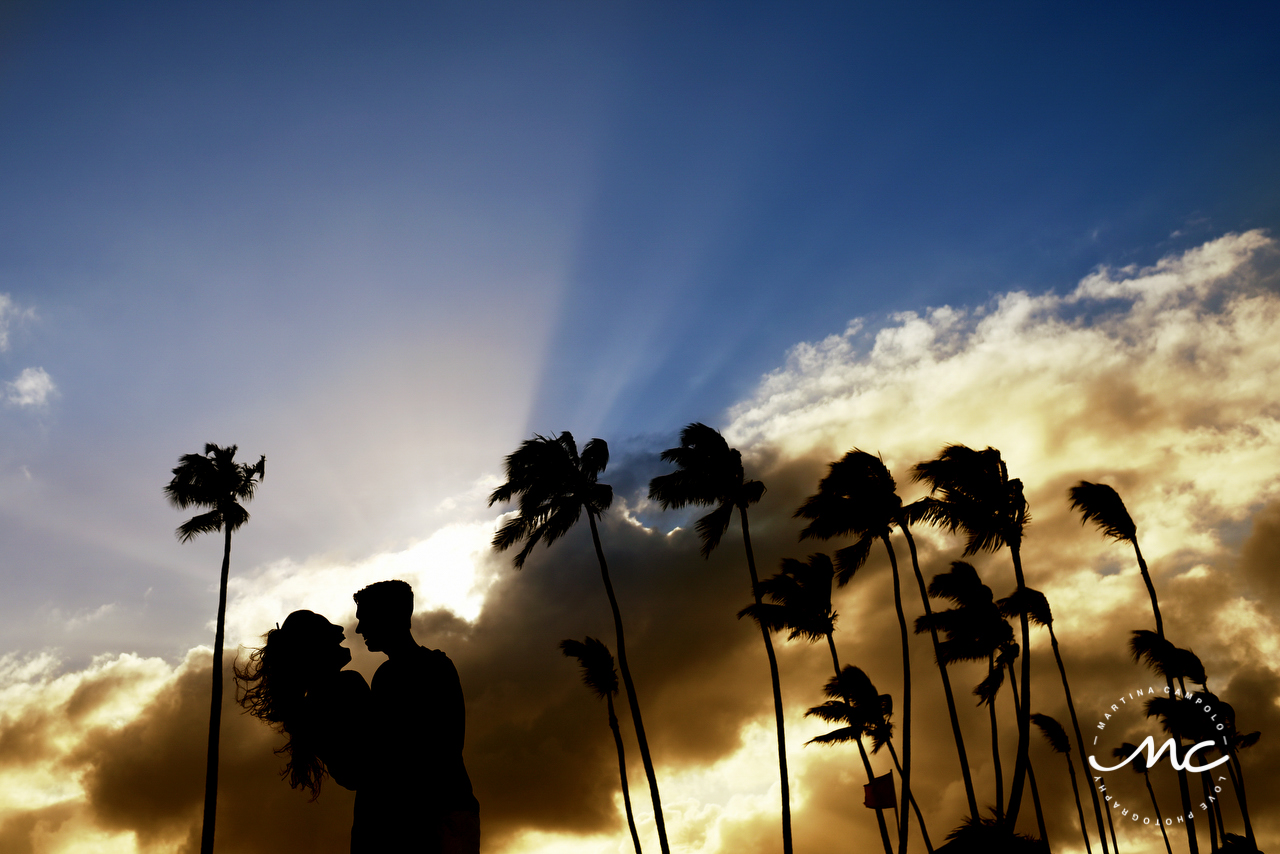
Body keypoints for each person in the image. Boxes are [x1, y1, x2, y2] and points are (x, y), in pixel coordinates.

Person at [352, 580, 480, 854]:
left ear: (391, 616)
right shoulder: (394, 673)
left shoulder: (430, 668)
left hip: (434, 812)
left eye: (365, 619)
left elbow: (441, 744)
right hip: (435, 808)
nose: (359, 629)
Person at [235, 610, 370, 798]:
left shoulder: (308, 709)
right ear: (312, 649)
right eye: (325, 628)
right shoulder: (345, 685)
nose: (339, 629)